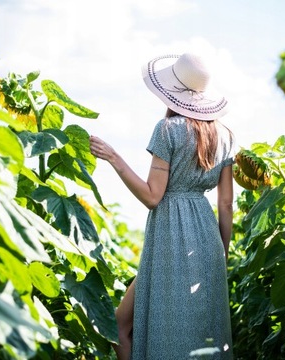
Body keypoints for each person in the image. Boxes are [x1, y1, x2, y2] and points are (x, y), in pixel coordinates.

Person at [90, 53, 235, 360]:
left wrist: (114, 158)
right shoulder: (225, 136)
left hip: (168, 240)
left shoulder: (167, 130)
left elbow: (153, 196)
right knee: (199, 337)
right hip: (207, 243)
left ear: (171, 92)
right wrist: (221, 252)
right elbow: (225, 202)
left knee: (119, 326)